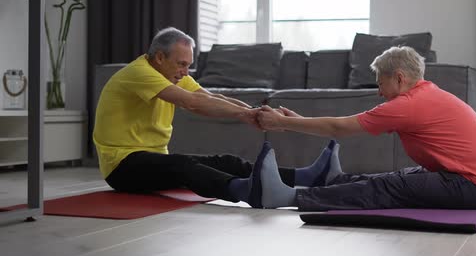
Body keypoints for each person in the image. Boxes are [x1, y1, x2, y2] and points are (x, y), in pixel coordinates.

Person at [246, 46, 476, 211]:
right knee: (398, 176)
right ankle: (333, 181)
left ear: (399, 78)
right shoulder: (428, 94)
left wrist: (282, 122)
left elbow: (339, 128)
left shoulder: (408, 105)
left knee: (389, 186)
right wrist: (296, 120)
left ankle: (290, 197)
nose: (379, 92)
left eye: (381, 83)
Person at [94, 27, 340, 205]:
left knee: (227, 161)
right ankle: (248, 192)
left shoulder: (172, 74)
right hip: (122, 167)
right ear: (159, 57)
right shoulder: (139, 73)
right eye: (181, 64)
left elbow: (209, 97)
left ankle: (306, 176)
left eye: (188, 65)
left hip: (152, 161)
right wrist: (246, 114)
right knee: (183, 166)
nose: (185, 72)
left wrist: (253, 112)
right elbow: (193, 104)